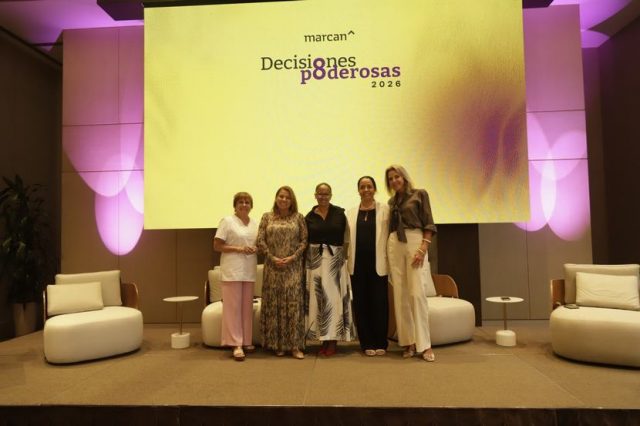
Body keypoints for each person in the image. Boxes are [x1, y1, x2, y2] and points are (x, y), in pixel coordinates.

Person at [385, 165, 437, 362]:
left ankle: (425, 345)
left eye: (396, 176)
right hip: (395, 243)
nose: (394, 181)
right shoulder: (391, 202)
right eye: (390, 179)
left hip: (415, 240)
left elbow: (429, 223)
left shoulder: (420, 194)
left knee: (417, 294)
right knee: (401, 295)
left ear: (404, 177)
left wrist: (423, 248)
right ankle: (409, 343)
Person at [256, 186, 308, 359]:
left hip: (293, 267)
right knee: (274, 305)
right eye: (281, 196)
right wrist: (272, 257)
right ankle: (278, 345)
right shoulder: (267, 217)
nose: (284, 199)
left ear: (292, 200)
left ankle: (294, 346)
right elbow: (260, 240)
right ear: (276, 198)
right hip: (272, 267)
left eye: (287, 197)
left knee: (293, 306)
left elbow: (304, 241)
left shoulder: (298, 217)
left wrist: (293, 257)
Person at [305, 182, 354, 356]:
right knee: (318, 301)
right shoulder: (309, 217)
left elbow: (347, 238)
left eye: (326, 194)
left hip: (335, 263)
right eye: (320, 193)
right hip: (316, 263)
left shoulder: (339, 214)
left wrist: (344, 259)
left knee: (333, 301)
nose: (323, 196)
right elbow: (305, 240)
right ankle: (323, 339)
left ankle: (332, 340)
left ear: (331, 195)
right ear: (315, 195)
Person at [347, 176, 390, 356]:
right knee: (361, 304)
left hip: (378, 264)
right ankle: (366, 343)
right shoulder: (350, 213)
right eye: (362, 187)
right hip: (357, 265)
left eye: (369, 186)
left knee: (379, 303)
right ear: (358, 190)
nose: (366, 190)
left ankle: (381, 342)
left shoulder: (385, 210)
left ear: (374, 189)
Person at [213, 192, 258, 361]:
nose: (244, 205)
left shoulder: (255, 223)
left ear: (251, 206)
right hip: (232, 270)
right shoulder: (227, 221)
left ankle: (246, 341)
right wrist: (239, 249)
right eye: (241, 202)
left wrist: (256, 248)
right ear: (235, 205)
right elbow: (217, 245)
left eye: (247, 202)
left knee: (246, 307)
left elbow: (258, 244)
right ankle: (235, 344)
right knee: (233, 309)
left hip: (249, 270)